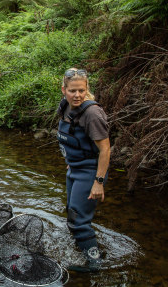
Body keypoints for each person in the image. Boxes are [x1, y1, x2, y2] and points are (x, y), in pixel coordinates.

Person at [56, 68, 110, 273]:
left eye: (81, 90)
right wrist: (70, 160)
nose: (77, 95)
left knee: (79, 221)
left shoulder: (92, 114)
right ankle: (85, 248)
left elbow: (105, 149)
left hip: (90, 172)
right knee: (72, 216)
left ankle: (94, 264)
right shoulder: (66, 107)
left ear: (87, 89)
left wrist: (98, 182)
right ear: (64, 90)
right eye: (72, 91)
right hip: (75, 168)